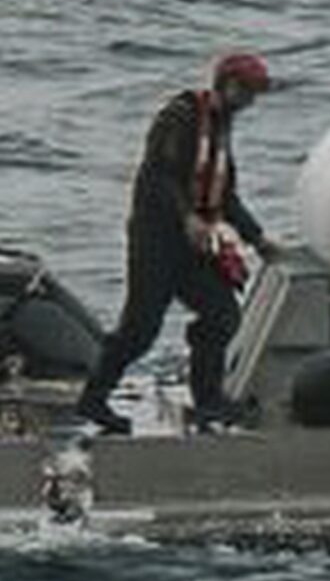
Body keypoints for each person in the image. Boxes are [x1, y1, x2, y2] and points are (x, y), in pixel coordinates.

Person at [74, 51, 279, 435]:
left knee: (222, 314)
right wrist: (185, 217)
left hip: (195, 246)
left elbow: (226, 195)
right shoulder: (179, 117)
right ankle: (94, 398)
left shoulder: (221, 130)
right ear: (228, 85)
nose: (250, 103)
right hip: (156, 241)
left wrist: (258, 238)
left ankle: (208, 401)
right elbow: (158, 176)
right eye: (247, 92)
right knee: (140, 328)